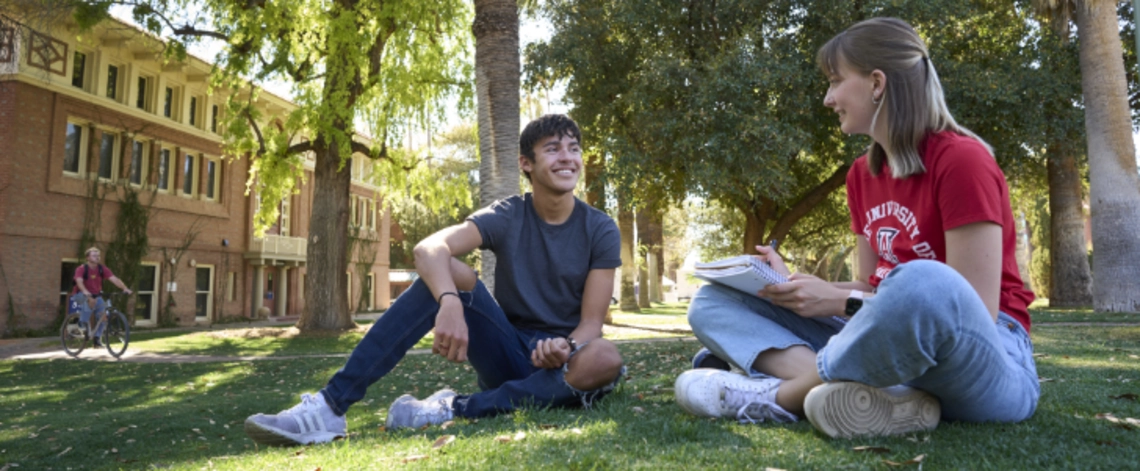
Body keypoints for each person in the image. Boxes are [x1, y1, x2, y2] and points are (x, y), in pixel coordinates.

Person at [675, 17, 1039, 439]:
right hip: (887, 340)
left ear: (877, 83)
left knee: (923, 282)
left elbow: (970, 309)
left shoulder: (962, 161)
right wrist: (799, 285)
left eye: (835, 81)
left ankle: (778, 398)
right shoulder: (860, 176)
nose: (829, 99)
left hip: (988, 355)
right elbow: (874, 285)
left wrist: (838, 302)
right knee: (710, 302)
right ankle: (881, 392)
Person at [244, 114, 626, 446]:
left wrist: (565, 347)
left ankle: (453, 407)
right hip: (510, 352)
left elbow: (592, 323)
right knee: (448, 275)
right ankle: (331, 406)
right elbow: (429, 249)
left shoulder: (599, 228)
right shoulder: (510, 215)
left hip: (569, 361)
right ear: (526, 163)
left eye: (574, 149)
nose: (567, 158)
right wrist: (449, 301)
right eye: (554, 149)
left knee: (605, 356)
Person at [71, 247, 132, 347]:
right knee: (90, 301)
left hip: (96, 295)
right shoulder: (81, 269)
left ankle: (97, 339)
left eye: (98, 256)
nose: (97, 257)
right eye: (94, 255)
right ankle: (81, 324)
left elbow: (114, 279)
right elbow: (79, 282)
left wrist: (124, 288)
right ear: (87, 257)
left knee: (104, 316)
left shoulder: (101, 269)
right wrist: (87, 293)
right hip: (80, 293)